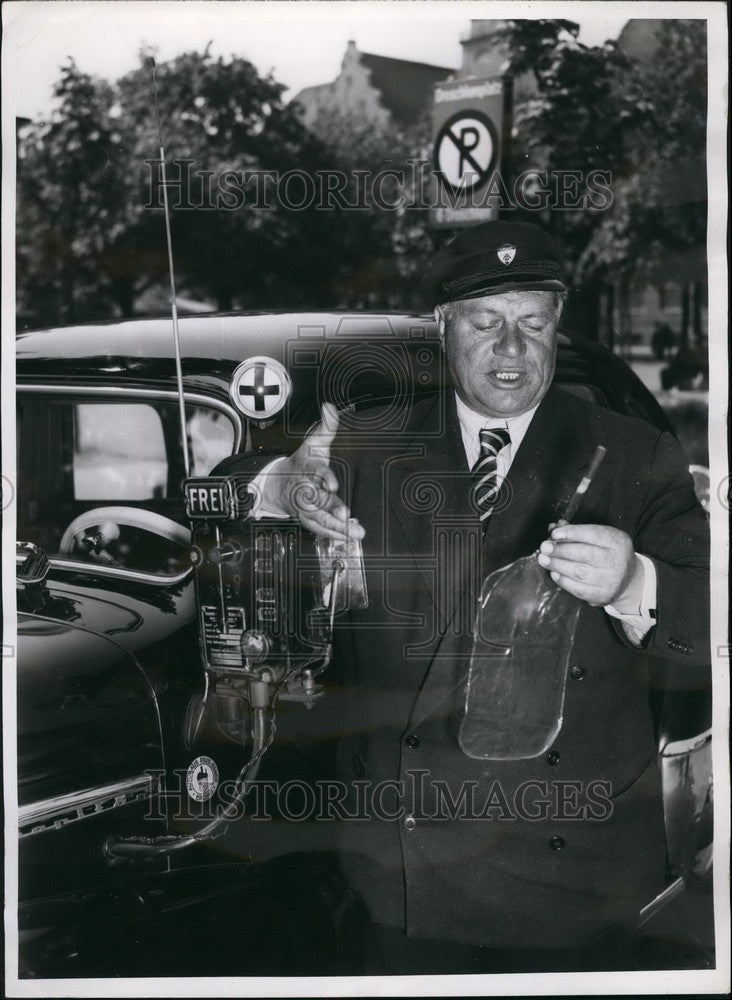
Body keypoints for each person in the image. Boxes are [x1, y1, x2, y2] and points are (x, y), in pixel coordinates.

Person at [219, 221, 710, 973]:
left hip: (574, 878)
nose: (512, 349)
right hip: (402, 871)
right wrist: (287, 483)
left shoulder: (636, 454)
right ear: (444, 329)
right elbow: (227, 504)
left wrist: (633, 582)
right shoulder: (369, 440)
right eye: (486, 323)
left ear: (557, 326)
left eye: (534, 324)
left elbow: (711, 618)